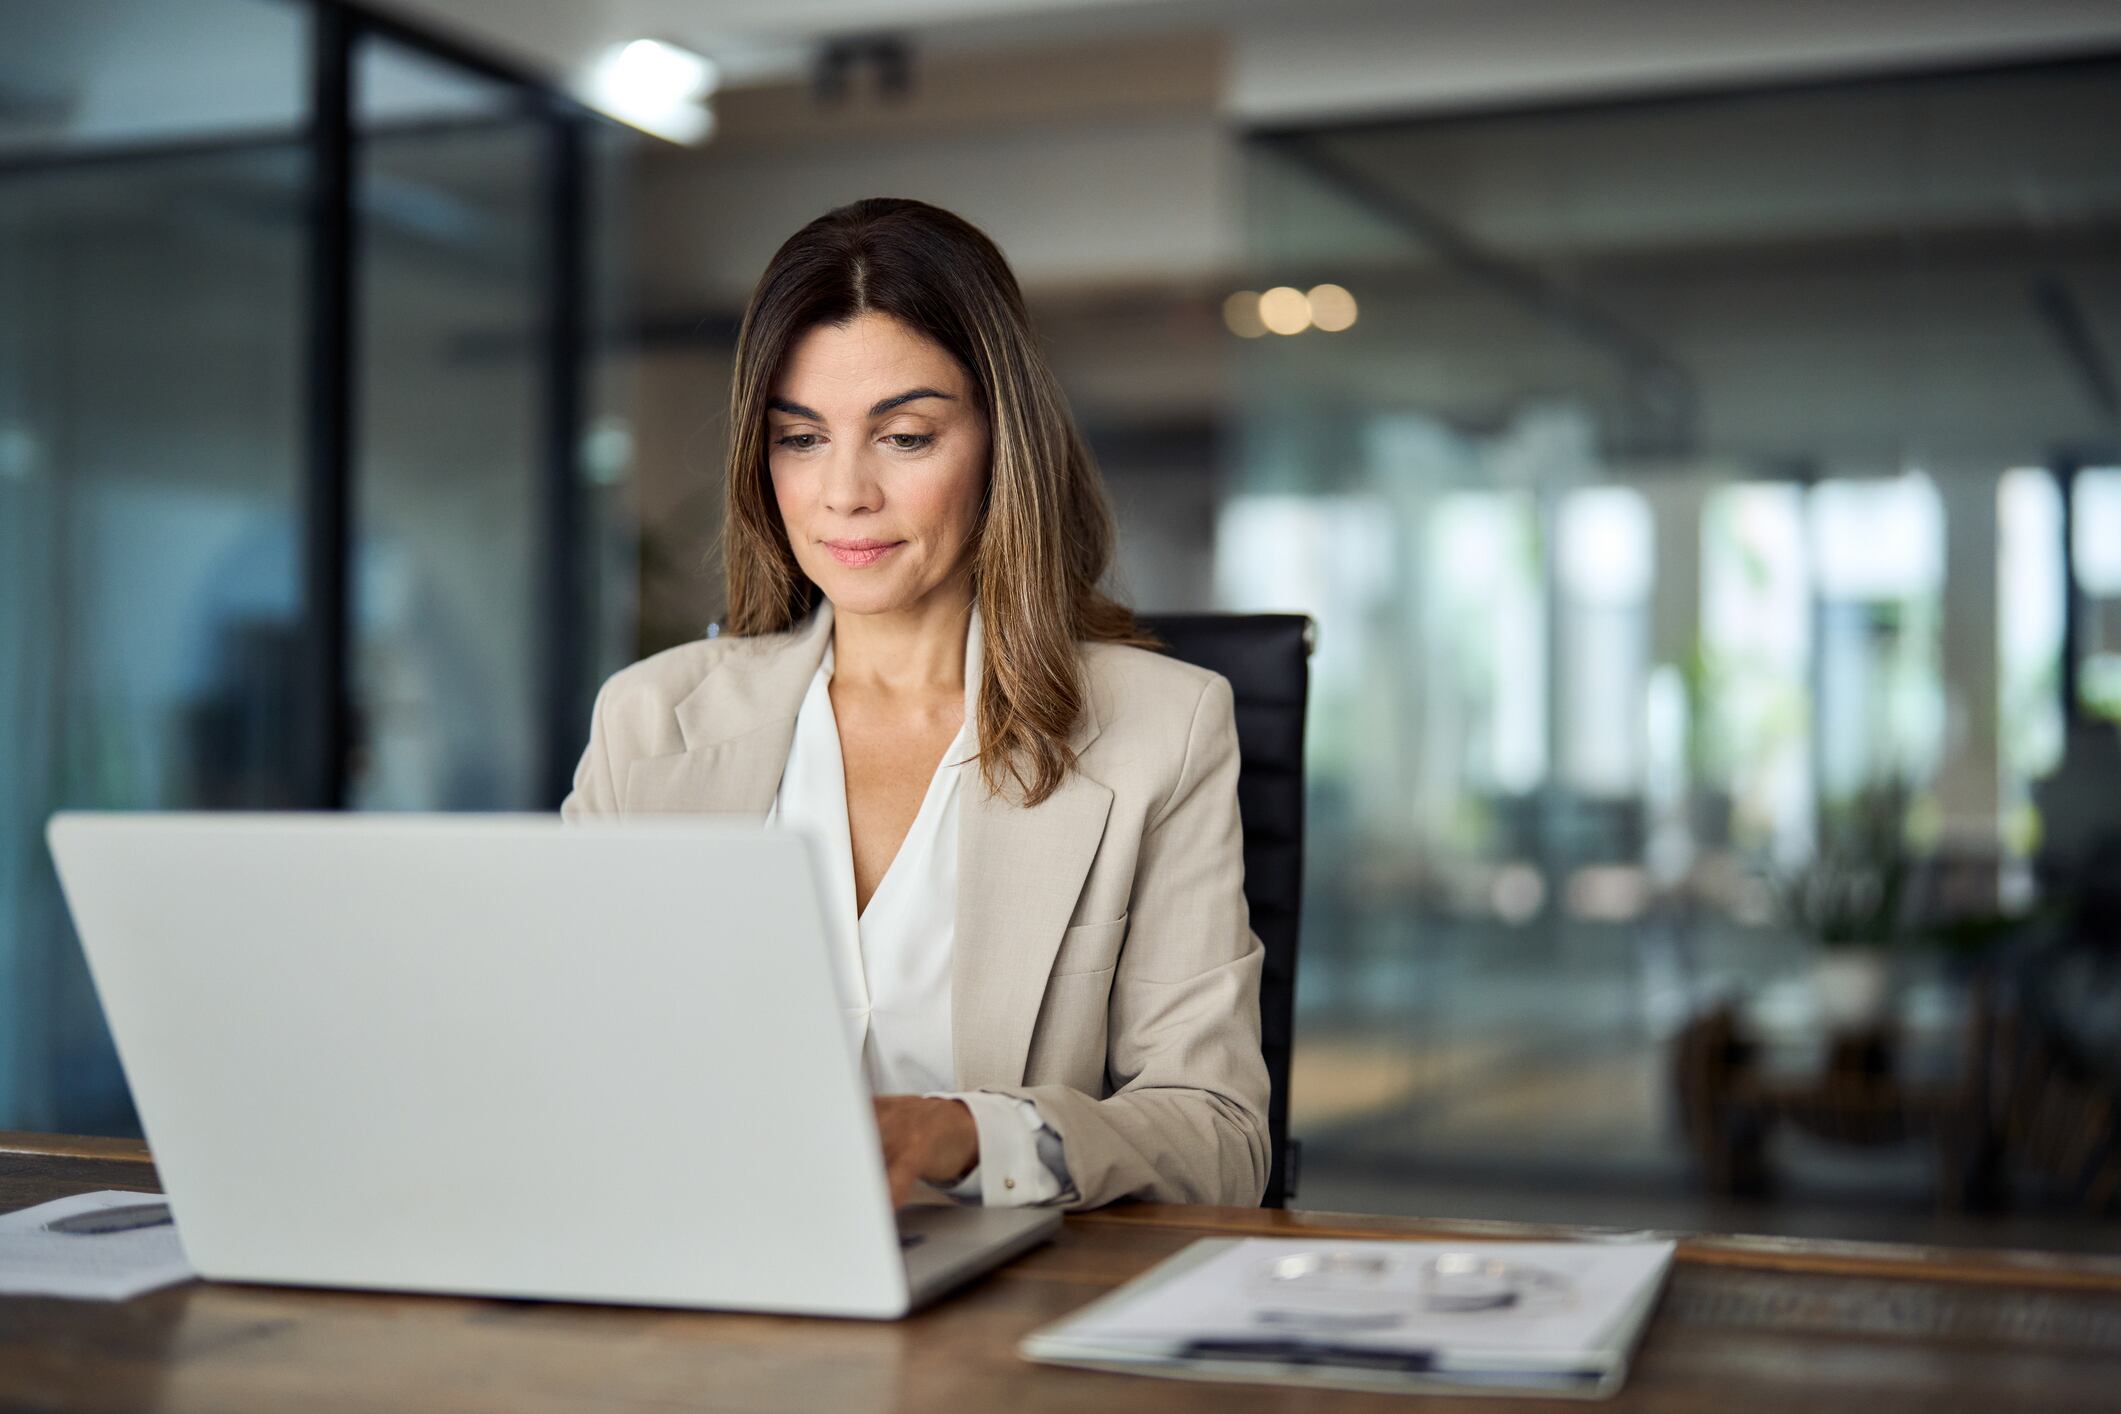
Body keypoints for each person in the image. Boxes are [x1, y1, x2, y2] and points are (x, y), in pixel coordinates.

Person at [561, 197, 1267, 1210]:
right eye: (801, 439)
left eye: (904, 436)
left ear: (997, 444)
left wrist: (971, 1133)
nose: (845, 492)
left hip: (1002, 1310)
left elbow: (1221, 1136)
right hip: (704, 1287)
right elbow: (558, 1058)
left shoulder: (1164, 729)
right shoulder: (648, 722)